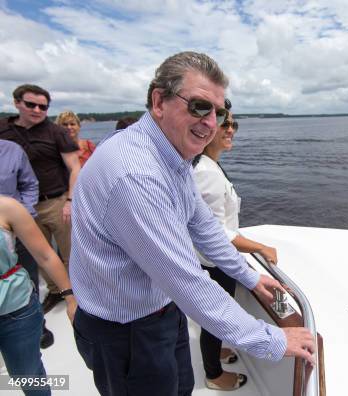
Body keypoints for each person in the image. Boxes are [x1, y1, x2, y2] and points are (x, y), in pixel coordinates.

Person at [70, 51, 315, 396]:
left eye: (220, 111)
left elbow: (204, 226)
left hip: (161, 311)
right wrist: (272, 340)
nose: (211, 122)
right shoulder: (135, 175)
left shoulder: (172, 155)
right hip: (125, 332)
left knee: (180, 388)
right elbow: (185, 280)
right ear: (159, 101)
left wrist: (248, 276)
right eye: (200, 106)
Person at [193, 104, 278, 390]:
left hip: (216, 260)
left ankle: (215, 351)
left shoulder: (211, 166)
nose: (230, 129)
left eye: (233, 125)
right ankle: (214, 375)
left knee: (216, 317)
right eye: (224, 124)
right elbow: (218, 232)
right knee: (215, 318)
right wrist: (261, 247)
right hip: (215, 263)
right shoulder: (206, 172)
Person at [0, 84, 81, 314]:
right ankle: (56, 291)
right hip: (18, 207)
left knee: (70, 251)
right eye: (31, 104)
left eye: (43, 107)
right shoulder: (3, 131)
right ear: (17, 103)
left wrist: (70, 201)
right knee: (38, 253)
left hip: (55, 201)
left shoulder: (56, 133)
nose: (37, 110)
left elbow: (74, 167)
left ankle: (78, 293)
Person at [0, 196, 77, 396]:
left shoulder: (8, 207)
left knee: (26, 374)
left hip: (15, 310)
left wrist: (70, 298)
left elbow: (46, 255)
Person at [0, 140, 55, 349]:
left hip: (16, 227)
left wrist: (23, 214)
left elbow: (29, 184)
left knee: (29, 279)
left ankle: (37, 326)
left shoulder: (12, 150)